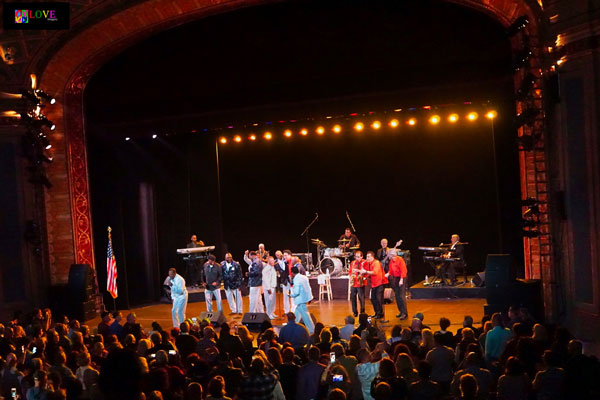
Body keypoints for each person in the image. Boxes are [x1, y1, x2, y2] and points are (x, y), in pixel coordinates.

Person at [362, 251, 388, 322]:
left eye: (368, 257)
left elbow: (375, 272)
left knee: (378, 299)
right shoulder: (369, 263)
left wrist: (366, 272)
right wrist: (365, 276)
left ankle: (380, 313)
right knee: (373, 299)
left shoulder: (376, 263)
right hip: (374, 284)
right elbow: (369, 272)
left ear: (372, 257)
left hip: (380, 283)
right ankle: (377, 313)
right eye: (366, 257)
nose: (367, 258)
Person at [290, 266, 315, 334]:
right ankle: (292, 328)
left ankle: (312, 331)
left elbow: (296, 292)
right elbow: (308, 288)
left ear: (292, 273)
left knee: (306, 317)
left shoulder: (296, 279)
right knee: (296, 316)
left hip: (300, 300)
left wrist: (290, 294)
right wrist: (310, 298)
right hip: (303, 299)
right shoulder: (304, 277)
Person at [386, 249, 408, 319]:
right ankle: (401, 311)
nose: (387, 256)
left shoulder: (400, 260)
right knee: (397, 295)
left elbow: (403, 270)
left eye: (388, 254)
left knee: (401, 296)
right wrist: (388, 274)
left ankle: (404, 313)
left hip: (402, 277)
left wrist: (401, 280)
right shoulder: (391, 261)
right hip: (396, 278)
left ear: (391, 254)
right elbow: (391, 270)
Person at [349, 251, 367, 317]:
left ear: (362, 256)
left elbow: (366, 272)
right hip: (354, 283)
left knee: (361, 298)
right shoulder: (353, 263)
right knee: (353, 297)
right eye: (356, 256)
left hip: (360, 283)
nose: (357, 258)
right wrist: (351, 276)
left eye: (358, 257)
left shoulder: (365, 262)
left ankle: (362, 312)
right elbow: (350, 271)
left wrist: (359, 272)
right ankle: (355, 312)